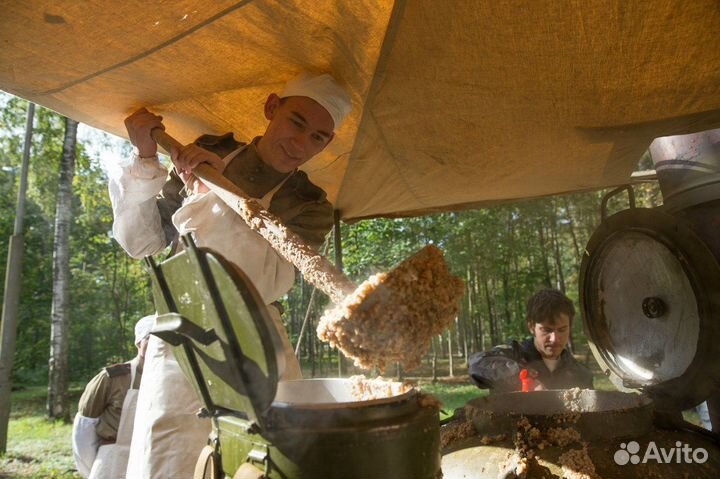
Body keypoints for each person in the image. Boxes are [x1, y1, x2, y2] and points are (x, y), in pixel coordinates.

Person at [107, 72, 351, 478]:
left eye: (318, 138)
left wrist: (208, 196)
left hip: (256, 340)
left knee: (268, 458)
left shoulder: (310, 205)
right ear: (272, 107)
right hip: (183, 333)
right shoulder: (207, 152)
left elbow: (263, 280)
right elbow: (142, 242)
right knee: (170, 458)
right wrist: (147, 159)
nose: (300, 144)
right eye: (296, 122)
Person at [72, 315, 154, 478]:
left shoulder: (175, 380)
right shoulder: (112, 378)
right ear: (138, 342)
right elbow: (84, 429)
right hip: (114, 460)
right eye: (151, 339)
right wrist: (94, 469)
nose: (158, 346)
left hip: (154, 461)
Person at [468, 289, 593, 392]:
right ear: (531, 327)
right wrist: (522, 377)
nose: (555, 339)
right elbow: (476, 365)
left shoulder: (580, 374)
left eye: (562, 330)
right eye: (547, 330)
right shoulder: (514, 354)